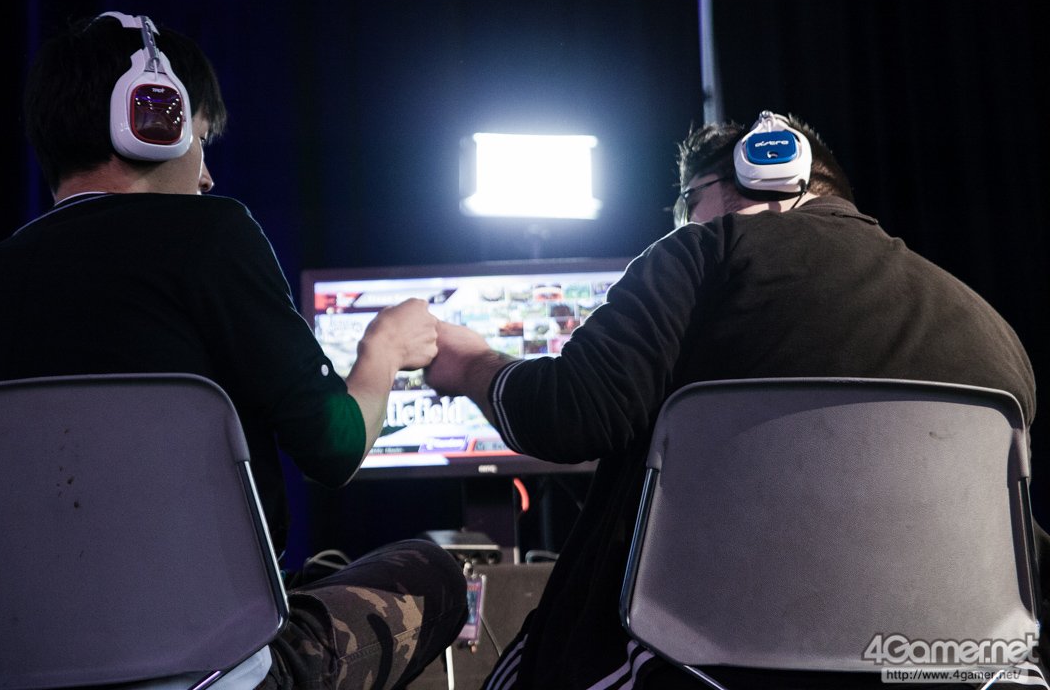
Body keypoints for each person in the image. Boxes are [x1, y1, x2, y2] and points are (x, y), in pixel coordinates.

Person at [0, 12, 466, 689]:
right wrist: (383, 351)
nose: (206, 176)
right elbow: (334, 446)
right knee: (434, 574)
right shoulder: (212, 236)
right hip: (202, 672)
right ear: (151, 121)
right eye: (200, 139)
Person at [424, 111, 1039, 689]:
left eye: (686, 206)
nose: (684, 225)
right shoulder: (989, 327)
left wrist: (471, 364)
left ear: (760, 173)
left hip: (696, 665)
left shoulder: (702, 253)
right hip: (948, 667)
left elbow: (567, 416)